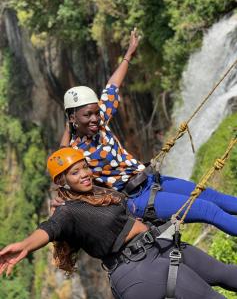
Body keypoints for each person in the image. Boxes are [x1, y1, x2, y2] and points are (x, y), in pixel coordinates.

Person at [58, 28, 237, 236]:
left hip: (151, 180)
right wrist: (67, 128)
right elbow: (60, 161)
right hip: (137, 199)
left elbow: (112, 87)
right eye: (87, 115)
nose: (94, 118)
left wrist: (129, 54)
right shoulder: (75, 152)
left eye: (96, 113)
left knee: (211, 197)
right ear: (72, 118)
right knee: (207, 209)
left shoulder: (101, 122)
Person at [0, 147, 237, 299]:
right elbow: (48, 229)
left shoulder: (99, 192)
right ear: (62, 181)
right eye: (74, 173)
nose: (83, 174)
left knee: (227, 274)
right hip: (138, 270)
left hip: (160, 247)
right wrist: (25, 245)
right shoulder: (68, 212)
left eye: (84, 168)